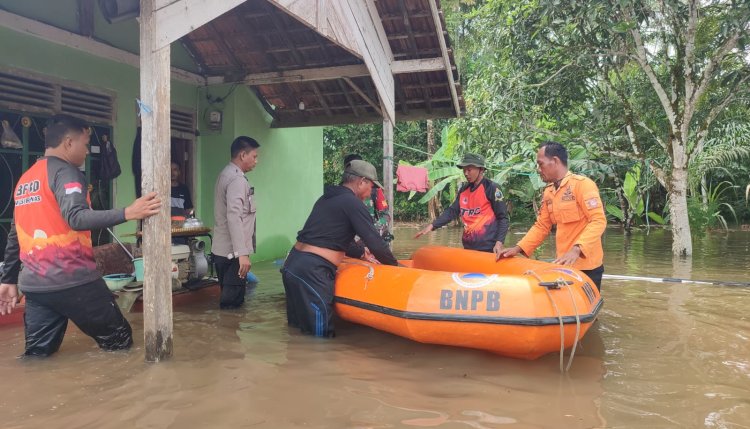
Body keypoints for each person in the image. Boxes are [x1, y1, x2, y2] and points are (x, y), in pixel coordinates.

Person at [0, 114, 161, 356]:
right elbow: (76, 217)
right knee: (120, 344)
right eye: (85, 144)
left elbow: (15, 234)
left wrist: (8, 279)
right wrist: (128, 212)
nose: (86, 151)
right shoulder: (66, 172)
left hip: (35, 285)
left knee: (37, 355)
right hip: (73, 280)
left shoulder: (26, 179)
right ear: (68, 143)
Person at [282, 160, 399, 337]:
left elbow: (331, 236)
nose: (371, 193)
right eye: (372, 187)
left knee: (298, 332)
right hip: (313, 272)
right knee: (320, 336)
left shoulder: (327, 199)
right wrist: (395, 267)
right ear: (361, 182)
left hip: (293, 266)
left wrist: (360, 253)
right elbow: (375, 243)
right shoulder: (352, 203)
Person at [498, 141, 606, 290]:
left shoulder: (582, 185)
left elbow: (598, 221)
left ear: (555, 161)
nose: (538, 169)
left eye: (540, 164)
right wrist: (517, 249)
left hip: (587, 266)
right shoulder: (549, 192)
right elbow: (542, 226)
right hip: (563, 265)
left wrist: (576, 249)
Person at [414, 153, 509, 259]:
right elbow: (452, 211)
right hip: (468, 248)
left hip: (488, 250)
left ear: (481, 170)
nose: (466, 173)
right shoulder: (464, 190)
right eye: (464, 170)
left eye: (469, 170)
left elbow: (503, 218)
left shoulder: (491, 188)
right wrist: (432, 225)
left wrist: (499, 243)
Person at [212, 136, 260, 309]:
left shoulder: (225, 174)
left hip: (222, 251)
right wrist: (243, 253)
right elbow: (234, 216)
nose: (256, 161)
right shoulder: (237, 180)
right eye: (254, 156)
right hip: (234, 256)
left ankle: (224, 334)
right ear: (242, 155)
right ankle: (228, 336)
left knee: (227, 300)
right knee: (232, 307)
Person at [343, 154, 391, 240]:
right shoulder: (339, 193)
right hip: (349, 244)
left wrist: (371, 232)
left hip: (371, 239)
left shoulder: (375, 190)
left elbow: (386, 216)